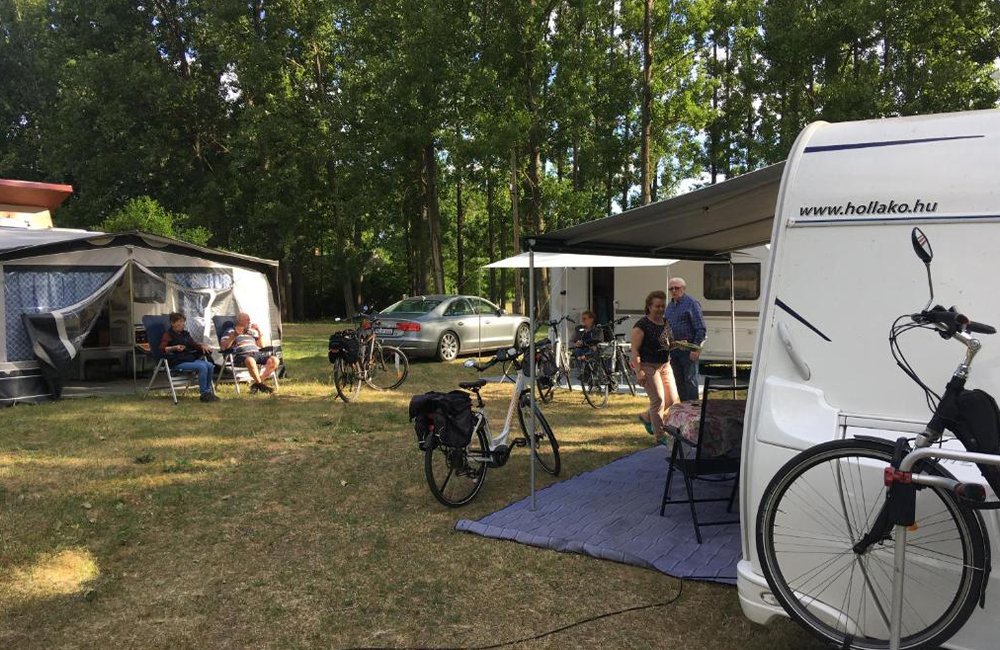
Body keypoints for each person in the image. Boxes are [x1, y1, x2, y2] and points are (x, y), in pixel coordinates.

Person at [631, 291, 678, 435]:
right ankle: (659, 436)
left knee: (671, 399)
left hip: (665, 365)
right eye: (657, 306)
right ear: (649, 307)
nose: (660, 309)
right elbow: (634, 350)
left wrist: (680, 344)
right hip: (648, 366)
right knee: (658, 400)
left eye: (663, 306)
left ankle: (646, 416)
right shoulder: (642, 325)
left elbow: (669, 343)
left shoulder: (665, 322)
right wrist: (639, 371)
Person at [159, 312, 218, 403]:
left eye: (183, 321)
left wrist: (202, 346)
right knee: (202, 367)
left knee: (209, 365)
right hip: (177, 361)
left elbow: (193, 345)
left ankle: (208, 392)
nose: (183, 324)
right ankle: (204, 394)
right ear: (173, 323)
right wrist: (174, 347)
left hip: (188, 359)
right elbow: (162, 349)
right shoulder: (168, 335)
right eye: (180, 321)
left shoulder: (185, 334)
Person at [665, 277, 705, 402]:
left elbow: (700, 328)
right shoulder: (670, 306)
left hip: (688, 348)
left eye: (676, 288)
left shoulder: (691, 303)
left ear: (683, 288)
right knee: (679, 379)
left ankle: (693, 408)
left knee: (690, 379)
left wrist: (695, 348)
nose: (674, 291)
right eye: (671, 288)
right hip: (674, 349)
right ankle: (683, 407)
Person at [220, 312, 279, 394]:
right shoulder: (230, 331)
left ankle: (257, 384)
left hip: (257, 354)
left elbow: (261, 345)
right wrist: (234, 335)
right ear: (240, 321)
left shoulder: (250, 332)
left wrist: (259, 331)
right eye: (247, 320)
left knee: (275, 360)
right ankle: (261, 385)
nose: (250, 321)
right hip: (241, 356)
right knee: (250, 360)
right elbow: (224, 347)